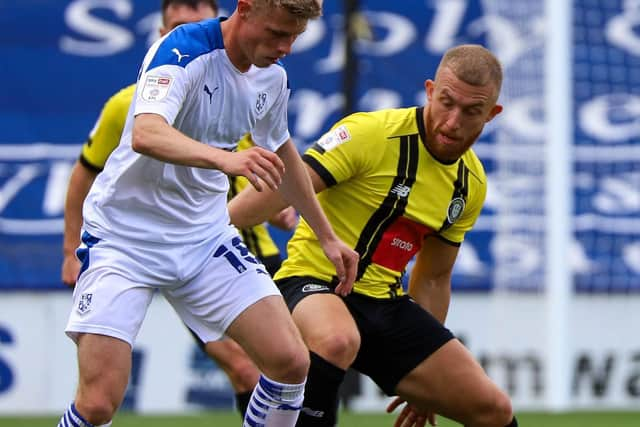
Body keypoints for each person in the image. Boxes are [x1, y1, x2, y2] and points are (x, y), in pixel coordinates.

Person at [56, 0, 359, 426]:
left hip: (203, 240)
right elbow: (147, 133)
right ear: (245, 9)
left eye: (294, 37)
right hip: (124, 241)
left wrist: (326, 236)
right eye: (277, 33)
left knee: (291, 362)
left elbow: (282, 150)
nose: (286, 47)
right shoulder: (184, 49)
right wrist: (225, 160)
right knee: (98, 403)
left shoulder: (271, 76)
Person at [228, 44, 519, 427]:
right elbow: (286, 187)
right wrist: (213, 225)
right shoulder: (371, 134)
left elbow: (432, 277)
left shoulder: (471, 184)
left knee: (494, 410)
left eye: (471, 112)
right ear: (430, 90)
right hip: (312, 284)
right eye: (446, 102)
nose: (452, 122)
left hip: (386, 306)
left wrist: (424, 384)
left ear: (492, 114)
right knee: (337, 340)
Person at [60, 0, 264, 418]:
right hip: (135, 244)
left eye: (198, 26)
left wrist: (278, 205)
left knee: (281, 366)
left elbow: (255, 160)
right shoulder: (128, 104)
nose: (188, 37)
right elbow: (83, 174)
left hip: (220, 244)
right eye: (176, 29)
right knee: (99, 401)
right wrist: (69, 249)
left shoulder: (243, 89)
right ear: (160, 36)